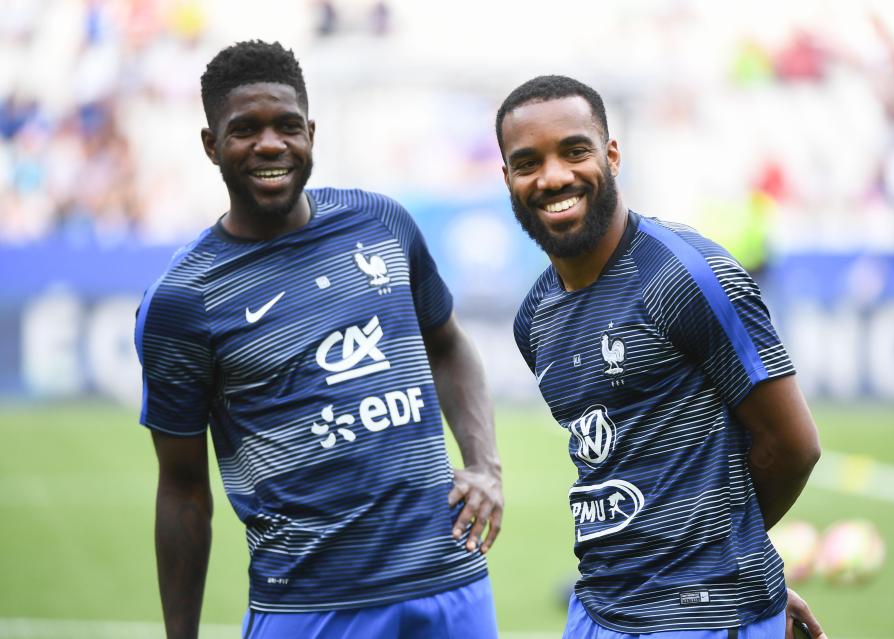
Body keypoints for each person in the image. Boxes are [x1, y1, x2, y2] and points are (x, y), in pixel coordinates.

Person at [134, 40, 502, 639]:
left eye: (286, 126)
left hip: (450, 583)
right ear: (211, 145)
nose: (270, 144)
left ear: (311, 132)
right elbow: (181, 489)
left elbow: (450, 346)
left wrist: (485, 465)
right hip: (310, 605)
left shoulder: (382, 223)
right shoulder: (183, 301)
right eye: (245, 129)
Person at [497, 75, 825, 639]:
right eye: (528, 162)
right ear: (507, 178)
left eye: (575, 151)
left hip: (701, 617)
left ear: (612, 155)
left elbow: (793, 445)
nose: (554, 177)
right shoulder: (535, 319)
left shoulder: (684, 276)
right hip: (598, 611)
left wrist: (732, 566)